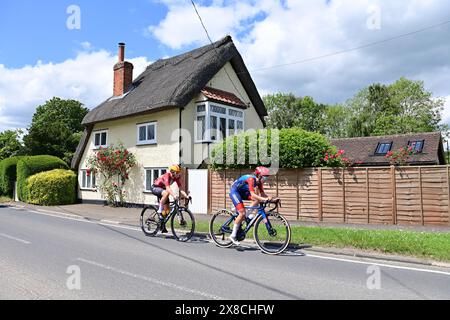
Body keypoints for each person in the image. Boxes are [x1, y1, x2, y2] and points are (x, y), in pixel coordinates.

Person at [228, 166, 273, 245]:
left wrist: (272, 199)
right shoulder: (251, 179)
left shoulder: (259, 182)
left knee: (257, 199)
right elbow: (253, 194)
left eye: (266, 178)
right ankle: (233, 235)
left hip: (242, 192)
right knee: (242, 213)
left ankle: (247, 216)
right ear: (259, 175)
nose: (265, 180)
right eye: (264, 178)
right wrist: (264, 199)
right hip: (235, 191)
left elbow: (262, 194)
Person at [150, 164, 189, 232]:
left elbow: (181, 189)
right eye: (177, 172)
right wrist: (174, 195)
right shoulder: (167, 176)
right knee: (166, 192)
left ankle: (162, 225)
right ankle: (159, 211)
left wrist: (186, 196)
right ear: (173, 172)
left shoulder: (176, 178)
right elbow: (168, 188)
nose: (179, 174)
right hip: (155, 188)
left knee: (167, 211)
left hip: (163, 190)